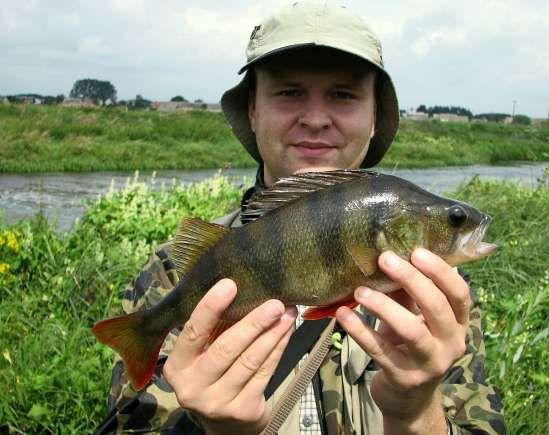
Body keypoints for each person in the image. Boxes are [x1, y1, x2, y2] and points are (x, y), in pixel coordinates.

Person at [97, 2, 505, 434]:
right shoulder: (171, 274)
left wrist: (416, 411)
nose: (314, 119)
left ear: (374, 118)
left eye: (343, 95)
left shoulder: (435, 297)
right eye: (289, 92)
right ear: (253, 110)